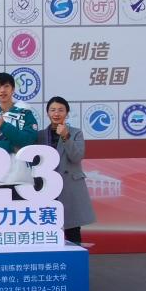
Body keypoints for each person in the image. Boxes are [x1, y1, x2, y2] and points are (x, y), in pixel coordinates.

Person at [40, 96, 95, 245]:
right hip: (47, 189)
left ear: (67, 113)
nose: (56, 113)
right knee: (49, 230)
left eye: (60, 110)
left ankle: (75, 258)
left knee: (72, 231)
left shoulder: (76, 133)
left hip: (69, 187)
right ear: (47, 113)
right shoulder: (40, 135)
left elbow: (76, 157)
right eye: (52, 110)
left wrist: (65, 136)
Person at [0, 72, 39, 190]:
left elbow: (28, 140)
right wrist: (11, 147)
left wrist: (4, 126)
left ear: (13, 89)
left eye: (6, 86)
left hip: (22, 177)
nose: (2, 90)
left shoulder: (25, 113)